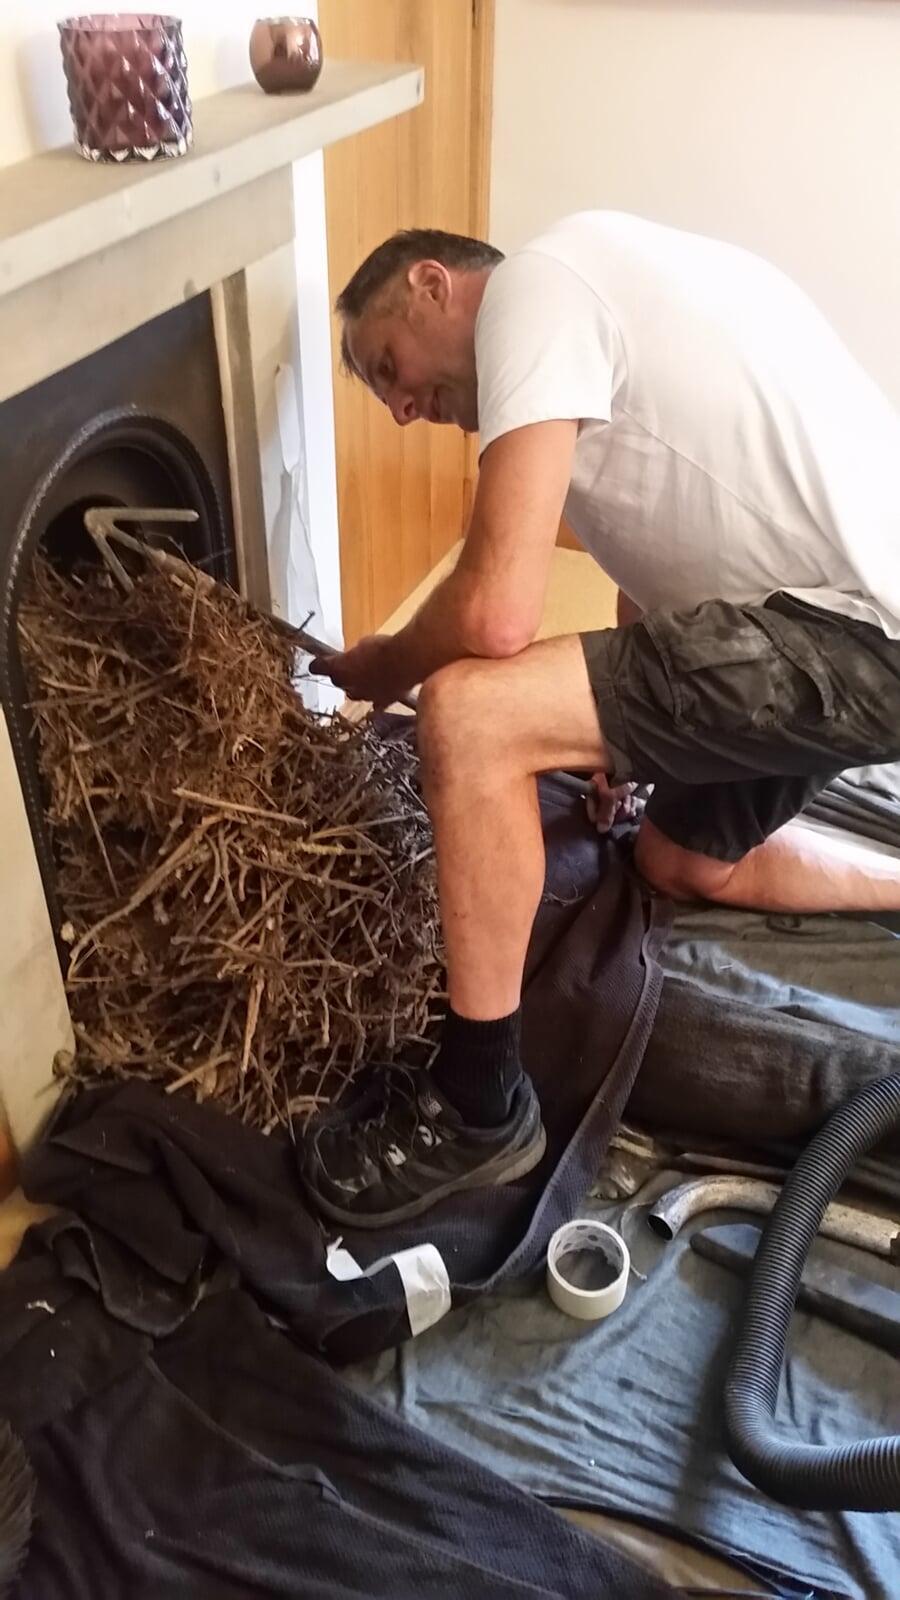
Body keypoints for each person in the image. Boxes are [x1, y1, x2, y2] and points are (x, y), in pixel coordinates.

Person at [302, 211, 900, 1229]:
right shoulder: (603, 297)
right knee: (678, 861)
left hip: (850, 632)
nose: (400, 410)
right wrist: (629, 744)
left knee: (469, 715)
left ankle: (479, 1107)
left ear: (434, 284)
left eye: (387, 366)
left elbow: (495, 612)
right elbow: (657, 562)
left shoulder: (536, 287)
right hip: (840, 621)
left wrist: (385, 666)